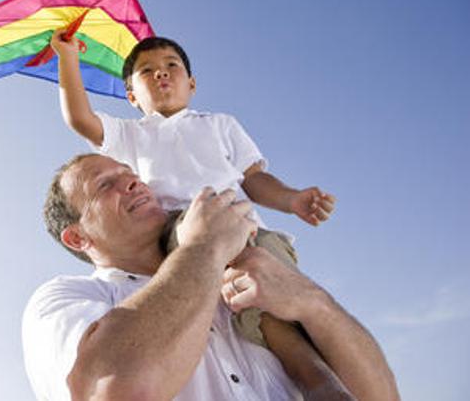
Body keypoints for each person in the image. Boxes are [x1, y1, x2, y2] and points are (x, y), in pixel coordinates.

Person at [51, 33, 336, 368]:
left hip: (242, 222)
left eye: (172, 65)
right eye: (146, 71)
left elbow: (255, 180)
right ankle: (315, 380)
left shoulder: (220, 125)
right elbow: (79, 118)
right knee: (238, 293)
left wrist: (293, 199)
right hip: (181, 231)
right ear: (131, 96)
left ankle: (322, 377)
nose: (161, 73)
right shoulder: (130, 134)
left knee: (287, 300)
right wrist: (67, 57)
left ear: (192, 84)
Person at [22, 153, 399, 400]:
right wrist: (203, 247)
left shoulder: (252, 273)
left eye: (131, 174)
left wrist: (314, 302)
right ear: (77, 236)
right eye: (106, 185)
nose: (133, 183)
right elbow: (113, 389)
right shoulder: (65, 299)